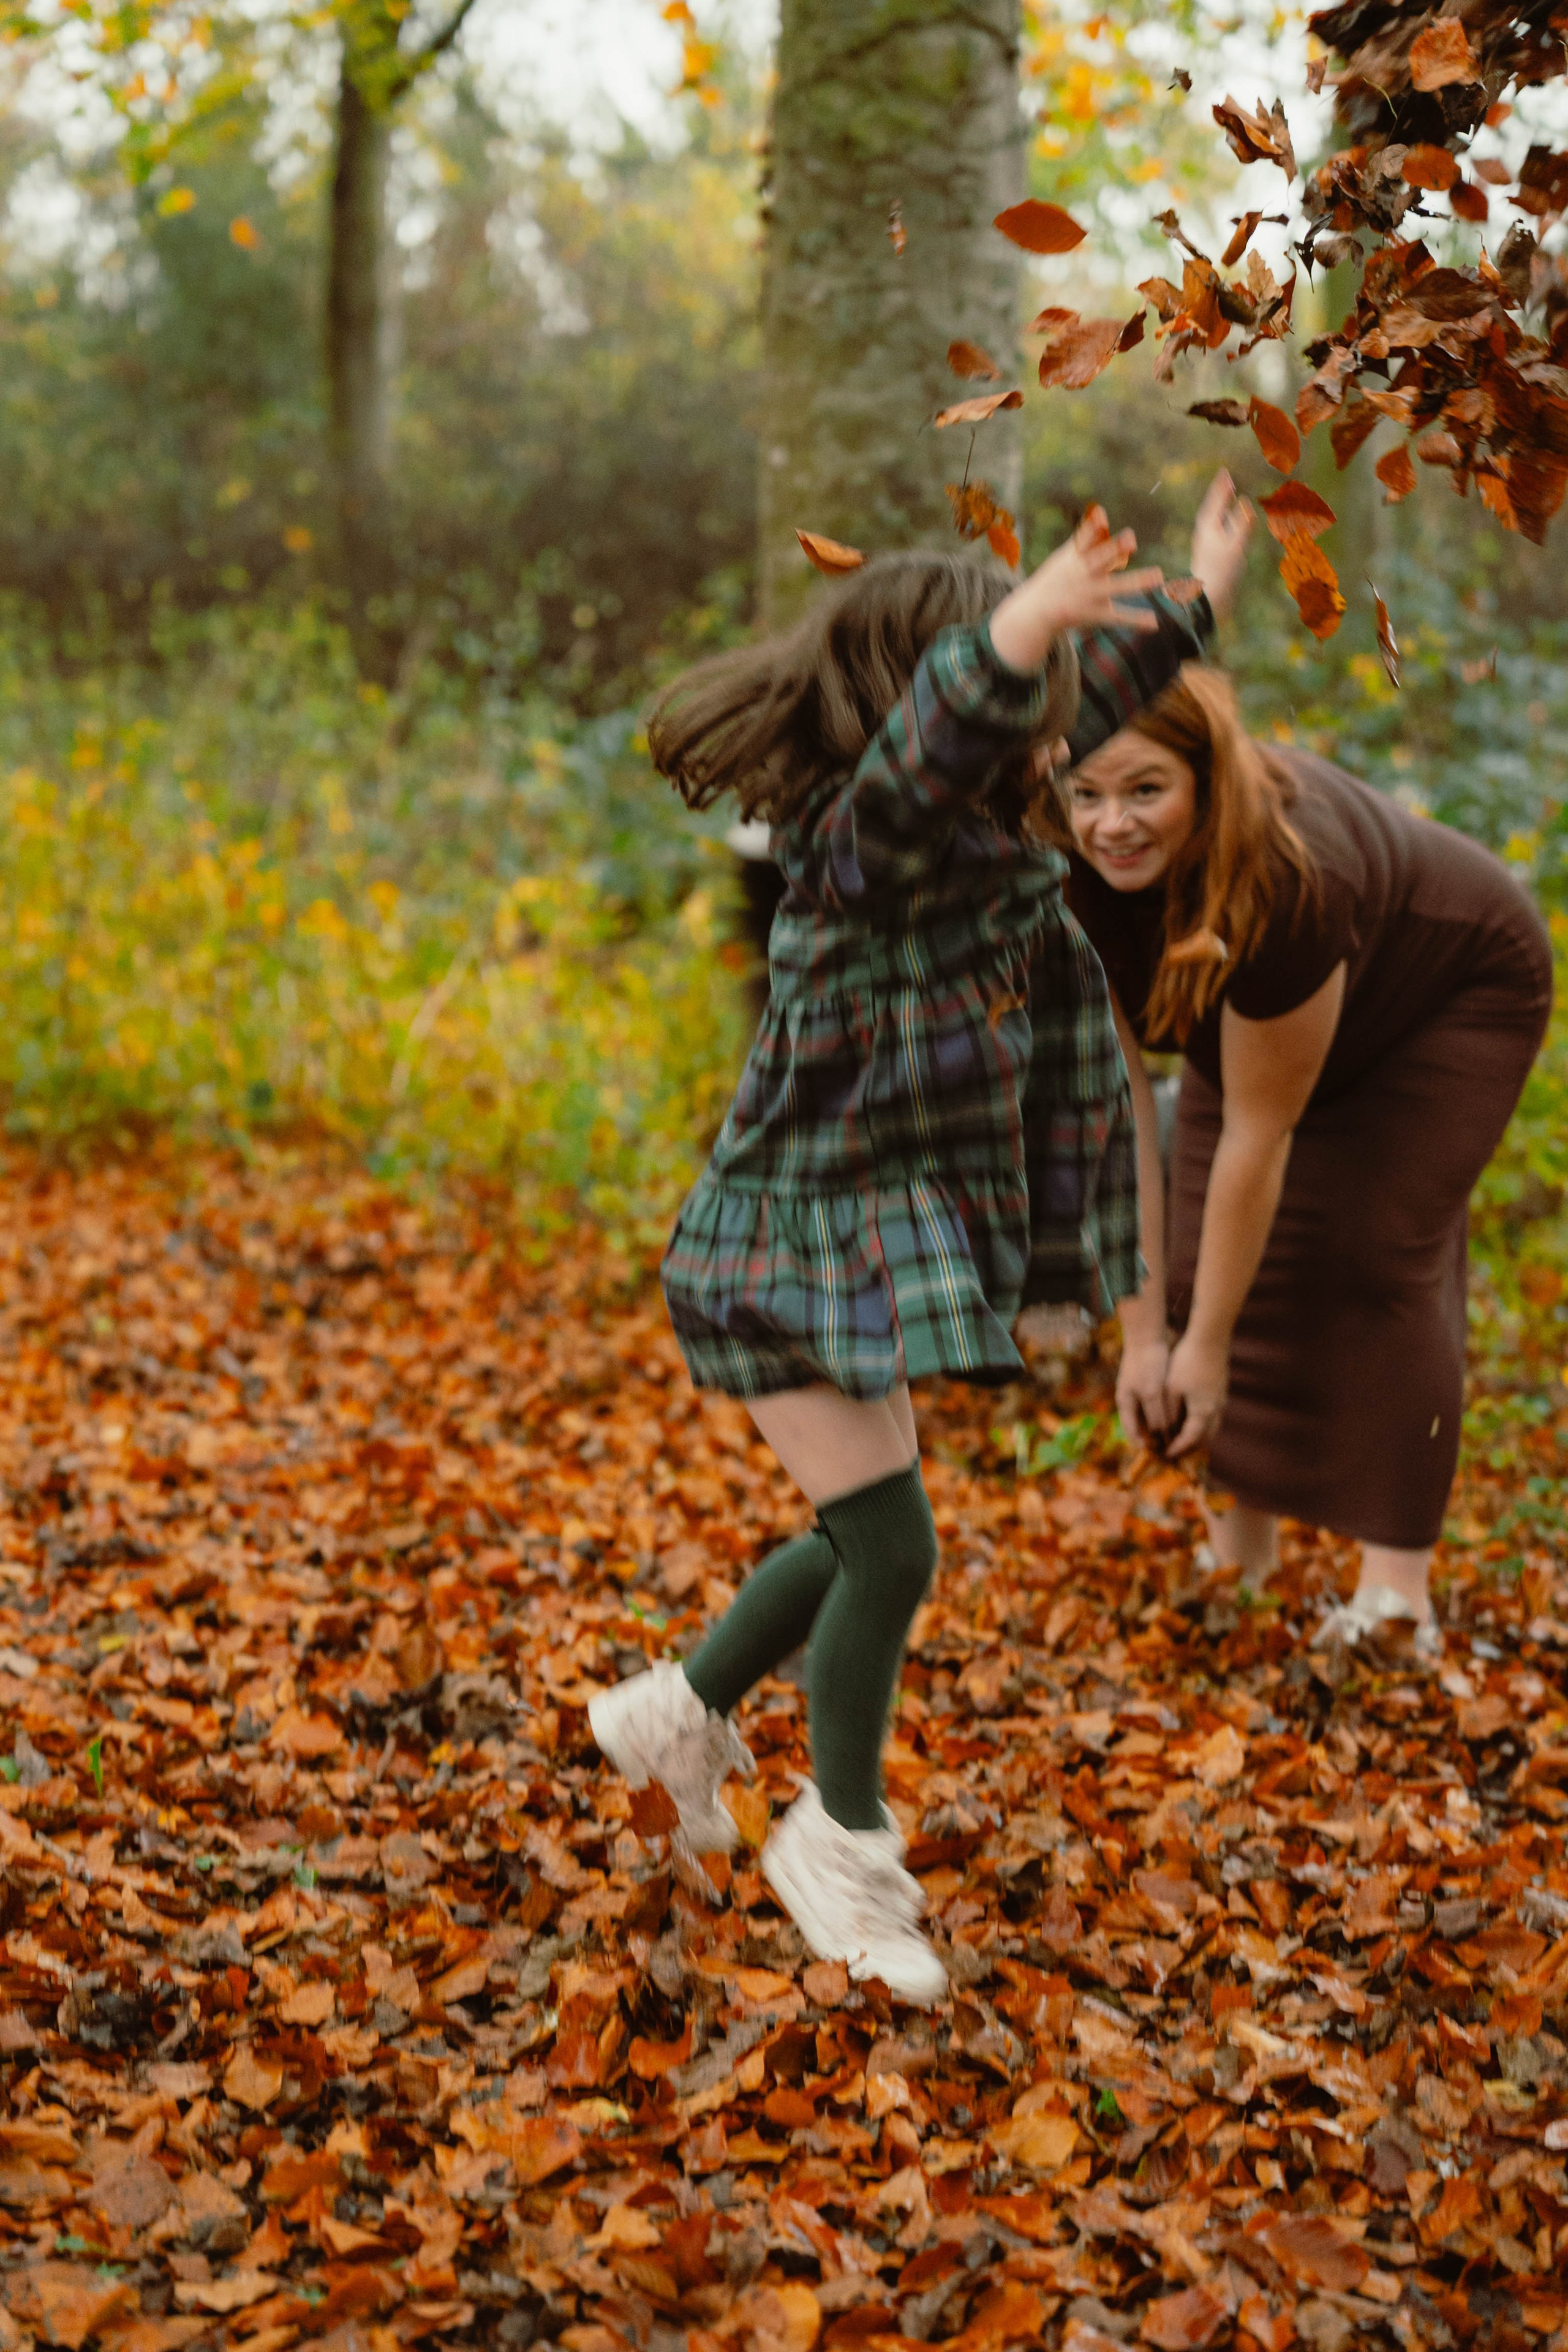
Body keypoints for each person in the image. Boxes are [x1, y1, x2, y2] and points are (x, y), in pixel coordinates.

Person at [589, 488, 1238, 2003]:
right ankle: (840, 1838)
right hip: (776, 1253)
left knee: (858, 1536)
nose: (1051, 752)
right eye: (1019, 700)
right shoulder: (863, 852)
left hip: (833, 1249)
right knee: (893, 1544)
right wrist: (1018, 626)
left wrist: (1186, 605)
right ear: (925, 696)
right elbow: (950, 732)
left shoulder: (964, 844)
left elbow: (1047, 713)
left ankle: (675, 1716)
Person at [1066, 486, 1552, 1657]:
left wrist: (1208, 1347)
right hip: (1266, 1004)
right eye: (1085, 795)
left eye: (1145, 793)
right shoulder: (1073, 874)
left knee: (1369, 1251)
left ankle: (1397, 1598)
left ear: (1204, 782)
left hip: (1444, 988)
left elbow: (1255, 1138)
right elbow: (1112, 1106)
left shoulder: (1283, 876)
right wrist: (1146, 1334)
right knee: (1197, 1253)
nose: (1111, 824)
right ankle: (1244, 1559)